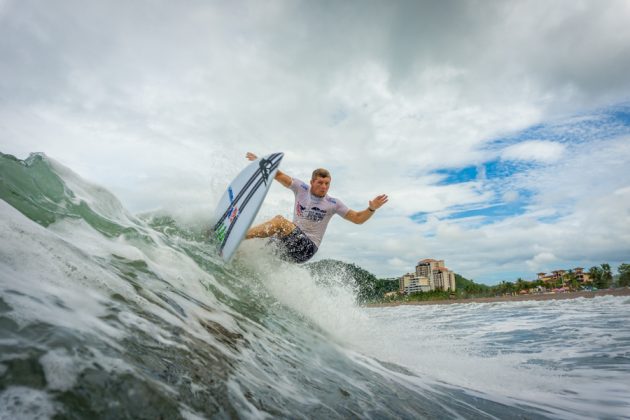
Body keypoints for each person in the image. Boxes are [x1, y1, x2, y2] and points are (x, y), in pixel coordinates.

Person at [245, 152, 388, 263]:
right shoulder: (300, 188)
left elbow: (358, 219)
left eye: (327, 183)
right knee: (264, 243)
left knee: (279, 221)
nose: (324, 187)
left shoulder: (333, 204)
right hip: (290, 244)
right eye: (320, 183)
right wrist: (260, 163)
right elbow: (280, 175)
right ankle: (237, 253)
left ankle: (241, 235)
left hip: (307, 248)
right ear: (312, 182)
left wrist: (371, 209)